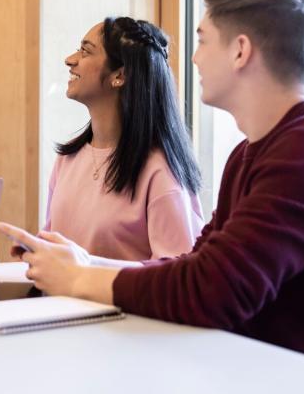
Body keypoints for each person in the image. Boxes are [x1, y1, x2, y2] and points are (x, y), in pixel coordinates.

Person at [0, 0, 304, 379]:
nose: (193, 57)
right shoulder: (254, 152)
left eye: (202, 39)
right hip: (253, 374)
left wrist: (81, 278)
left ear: (240, 51)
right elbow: (197, 263)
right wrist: (85, 265)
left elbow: (210, 290)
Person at [46, 17, 203, 261]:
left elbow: (176, 274)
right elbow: (51, 249)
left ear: (119, 75)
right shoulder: (67, 160)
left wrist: (83, 271)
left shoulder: (159, 171)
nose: (70, 59)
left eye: (86, 51)